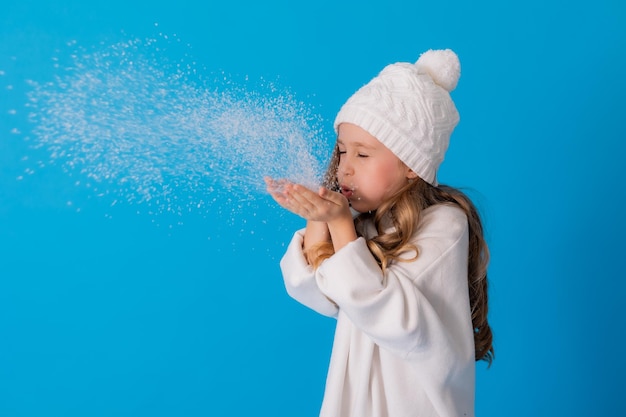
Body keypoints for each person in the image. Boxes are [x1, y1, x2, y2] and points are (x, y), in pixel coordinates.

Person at [265, 49, 493, 417]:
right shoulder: (366, 223)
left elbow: (397, 319)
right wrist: (318, 218)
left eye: (363, 155)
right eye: (341, 152)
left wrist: (339, 225)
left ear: (412, 166)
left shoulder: (444, 224)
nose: (345, 169)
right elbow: (318, 293)